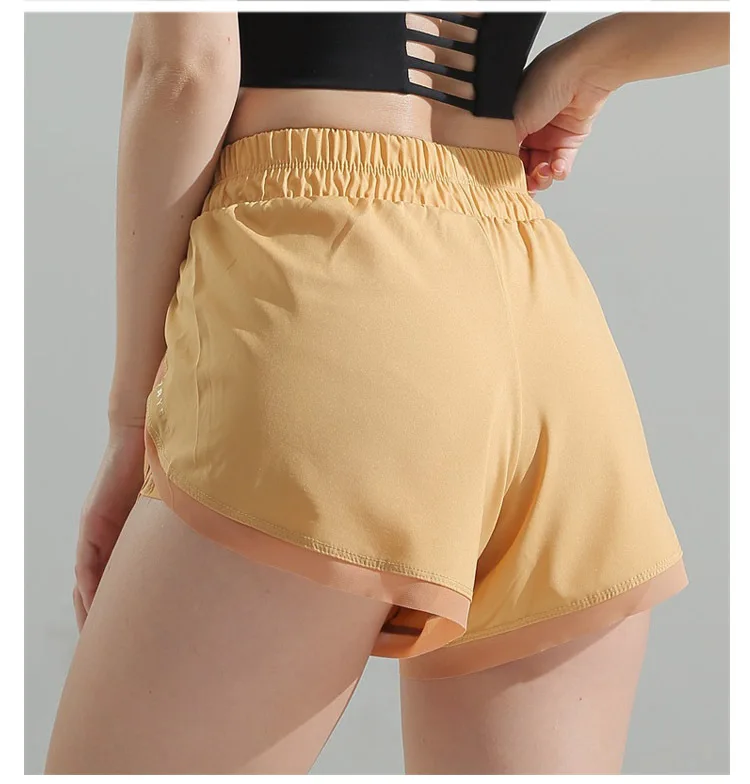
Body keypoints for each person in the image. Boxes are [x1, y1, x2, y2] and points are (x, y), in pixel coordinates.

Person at [44, 11, 728, 775]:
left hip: (323, 278)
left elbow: (184, 70)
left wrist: (131, 418)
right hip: (547, 325)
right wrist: (593, 61)